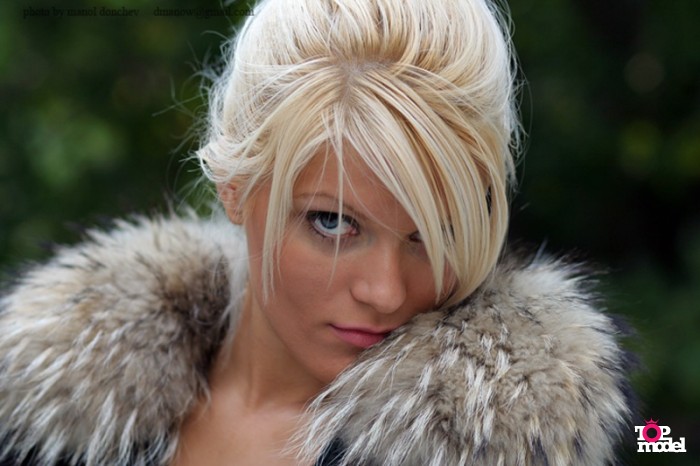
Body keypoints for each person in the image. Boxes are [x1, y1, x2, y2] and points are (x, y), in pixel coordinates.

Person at [0, 0, 635, 465]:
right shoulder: (42, 407)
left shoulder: (513, 446)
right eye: (332, 223)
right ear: (235, 187)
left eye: (432, 234)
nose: (386, 291)